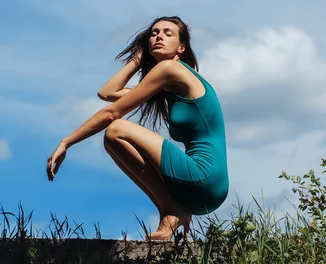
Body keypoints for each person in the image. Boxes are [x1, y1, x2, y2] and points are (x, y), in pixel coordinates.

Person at [46, 15, 229, 241]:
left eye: (167, 33)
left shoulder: (171, 69)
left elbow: (112, 112)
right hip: (210, 187)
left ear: (181, 48)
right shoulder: (169, 86)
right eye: (154, 33)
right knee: (114, 134)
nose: (159, 36)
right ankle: (172, 211)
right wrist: (141, 57)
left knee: (115, 130)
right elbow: (107, 93)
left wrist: (67, 142)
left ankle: (172, 210)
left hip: (204, 175)